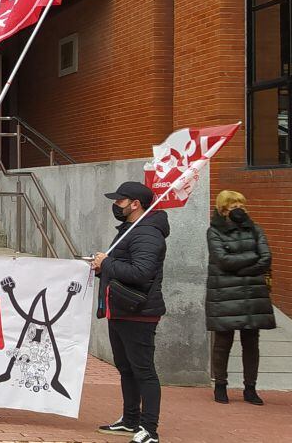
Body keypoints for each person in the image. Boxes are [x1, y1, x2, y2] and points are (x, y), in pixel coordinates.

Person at [92, 181, 167, 443]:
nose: (115, 205)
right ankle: (130, 419)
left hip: (138, 312)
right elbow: (124, 265)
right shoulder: (131, 230)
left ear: (135, 204)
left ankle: (149, 429)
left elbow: (141, 272)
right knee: (126, 369)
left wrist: (108, 262)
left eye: (120, 201)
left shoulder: (147, 232)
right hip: (122, 309)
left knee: (143, 370)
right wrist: (104, 268)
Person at [206, 190, 274, 406]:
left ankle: (250, 388)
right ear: (223, 209)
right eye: (233, 205)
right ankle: (220, 386)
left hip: (253, 294)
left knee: (251, 342)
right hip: (224, 294)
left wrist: (241, 268)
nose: (238, 209)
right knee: (223, 342)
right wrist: (251, 260)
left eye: (241, 205)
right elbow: (223, 260)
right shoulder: (214, 231)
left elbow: (266, 258)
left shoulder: (256, 230)